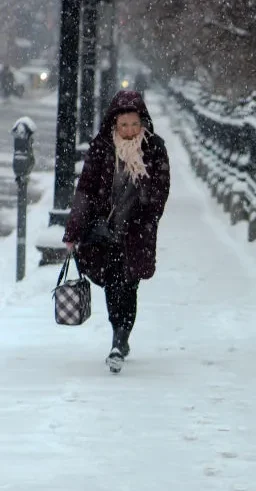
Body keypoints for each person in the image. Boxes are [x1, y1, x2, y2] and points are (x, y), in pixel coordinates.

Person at [62, 90, 171, 372]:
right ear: (114, 123)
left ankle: (121, 339)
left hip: (136, 232)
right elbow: (85, 191)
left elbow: (161, 191)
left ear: (143, 122)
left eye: (135, 124)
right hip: (104, 232)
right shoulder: (101, 148)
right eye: (124, 125)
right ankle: (118, 334)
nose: (130, 130)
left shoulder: (154, 148)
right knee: (113, 285)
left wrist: (146, 212)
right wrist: (73, 231)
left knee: (129, 285)